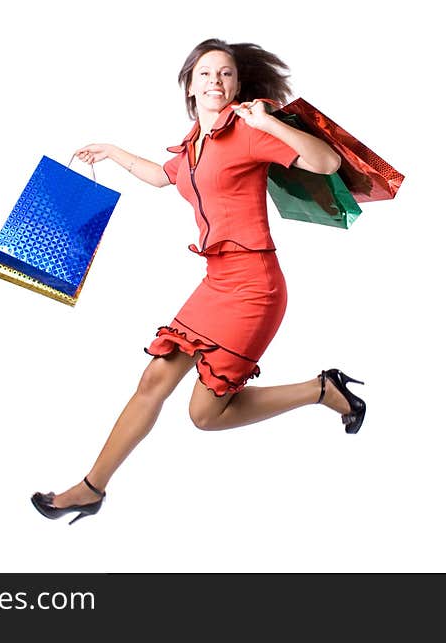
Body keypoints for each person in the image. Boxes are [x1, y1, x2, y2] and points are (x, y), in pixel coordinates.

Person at [31, 38, 367, 526]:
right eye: (206, 73)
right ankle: (91, 488)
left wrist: (268, 121)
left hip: (254, 288)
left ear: (236, 86)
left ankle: (321, 390)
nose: (216, 81)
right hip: (216, 282)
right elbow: (162, 175)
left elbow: (326, 163)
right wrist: (111, 152)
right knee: (154, 378)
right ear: (189, 85)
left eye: (226, 74)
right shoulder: (193, 145)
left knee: (205, 415)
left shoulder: (248, 133)